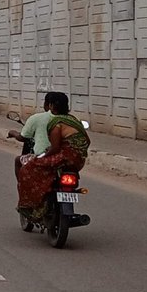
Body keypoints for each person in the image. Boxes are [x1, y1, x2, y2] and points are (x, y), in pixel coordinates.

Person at [14, 91, 90, 220]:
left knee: (29, 168)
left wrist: (43, 156)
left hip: (65, 158)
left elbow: (54, 148)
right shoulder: (73, 120)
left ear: (50, 105)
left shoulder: (57, 123)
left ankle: (29, 205)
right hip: (78, 161)